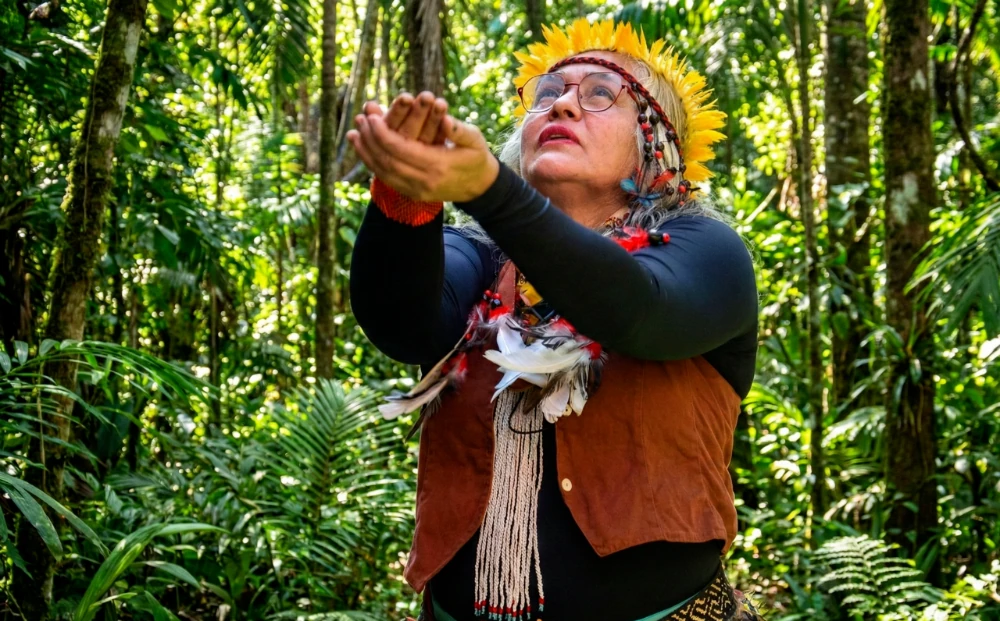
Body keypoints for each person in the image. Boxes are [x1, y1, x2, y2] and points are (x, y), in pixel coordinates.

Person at [347, 19, 761, 621]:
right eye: (547, 93)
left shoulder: (706, 250)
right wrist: (405, 199)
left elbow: (638, 310)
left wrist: (491, 190)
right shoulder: (482, 256)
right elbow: (404, 324)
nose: (562, 101)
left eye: (600, 93)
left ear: (658, 144)